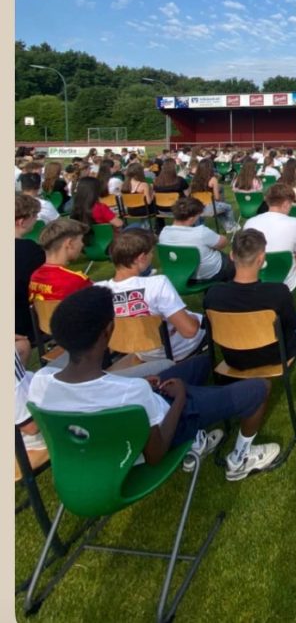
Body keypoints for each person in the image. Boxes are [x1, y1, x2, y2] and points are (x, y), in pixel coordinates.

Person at [27, 286, 280, 481]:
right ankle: (240, 458)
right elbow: (155, 454)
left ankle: (199, 437)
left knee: (203, 363)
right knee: (260, 388)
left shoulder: (40, 383)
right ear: (108, 330)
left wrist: (140, 386)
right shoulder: (132, 393)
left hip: (110, 439)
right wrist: (180, 398)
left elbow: (93, 392)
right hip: (165, 425)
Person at [204, 229, 296, 372]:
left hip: (234, 358)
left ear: (232, 256)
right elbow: (293, 325)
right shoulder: (278, 292)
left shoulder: (213, 294)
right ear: (261, 259)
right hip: (275, 354)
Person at [95, 229, 206, 362]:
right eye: (151, 253)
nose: (152, 256)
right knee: (205, 321)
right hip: (172, 351)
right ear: (141, 258)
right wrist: (193, 318)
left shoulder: (98, 290)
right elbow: (189, 331)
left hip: (139, 350)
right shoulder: (158, 284)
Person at [243, 183, 296, 291]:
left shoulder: (250, 222)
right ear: (286, 204)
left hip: (256, 276)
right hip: (286, 281)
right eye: (291, 204)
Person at [158, 197, 235, 283]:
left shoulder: (164, 232)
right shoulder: (201, 232)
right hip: (209, 274)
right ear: (191, 218)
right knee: (234, 260)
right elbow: (223, 243)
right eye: (198, 216)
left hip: (181, 273)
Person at [29, 219, 93, 302]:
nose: (82, 244)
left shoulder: (34, 275)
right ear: (69, 243)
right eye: (81, 240)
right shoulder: (76, 280)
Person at [15, 195, 46, 344]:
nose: (36, 219)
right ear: (21, 222)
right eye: (34, 216)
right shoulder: (29, 251)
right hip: (25, 321)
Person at [188, 158, 237, 233]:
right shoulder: (213, 179)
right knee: (228, 207)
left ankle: (229, 227)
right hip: (210, 208)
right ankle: (232, 227)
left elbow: (191, 194)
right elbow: (217, 198)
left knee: (220, 207)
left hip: (197, 208)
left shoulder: (194, 179)